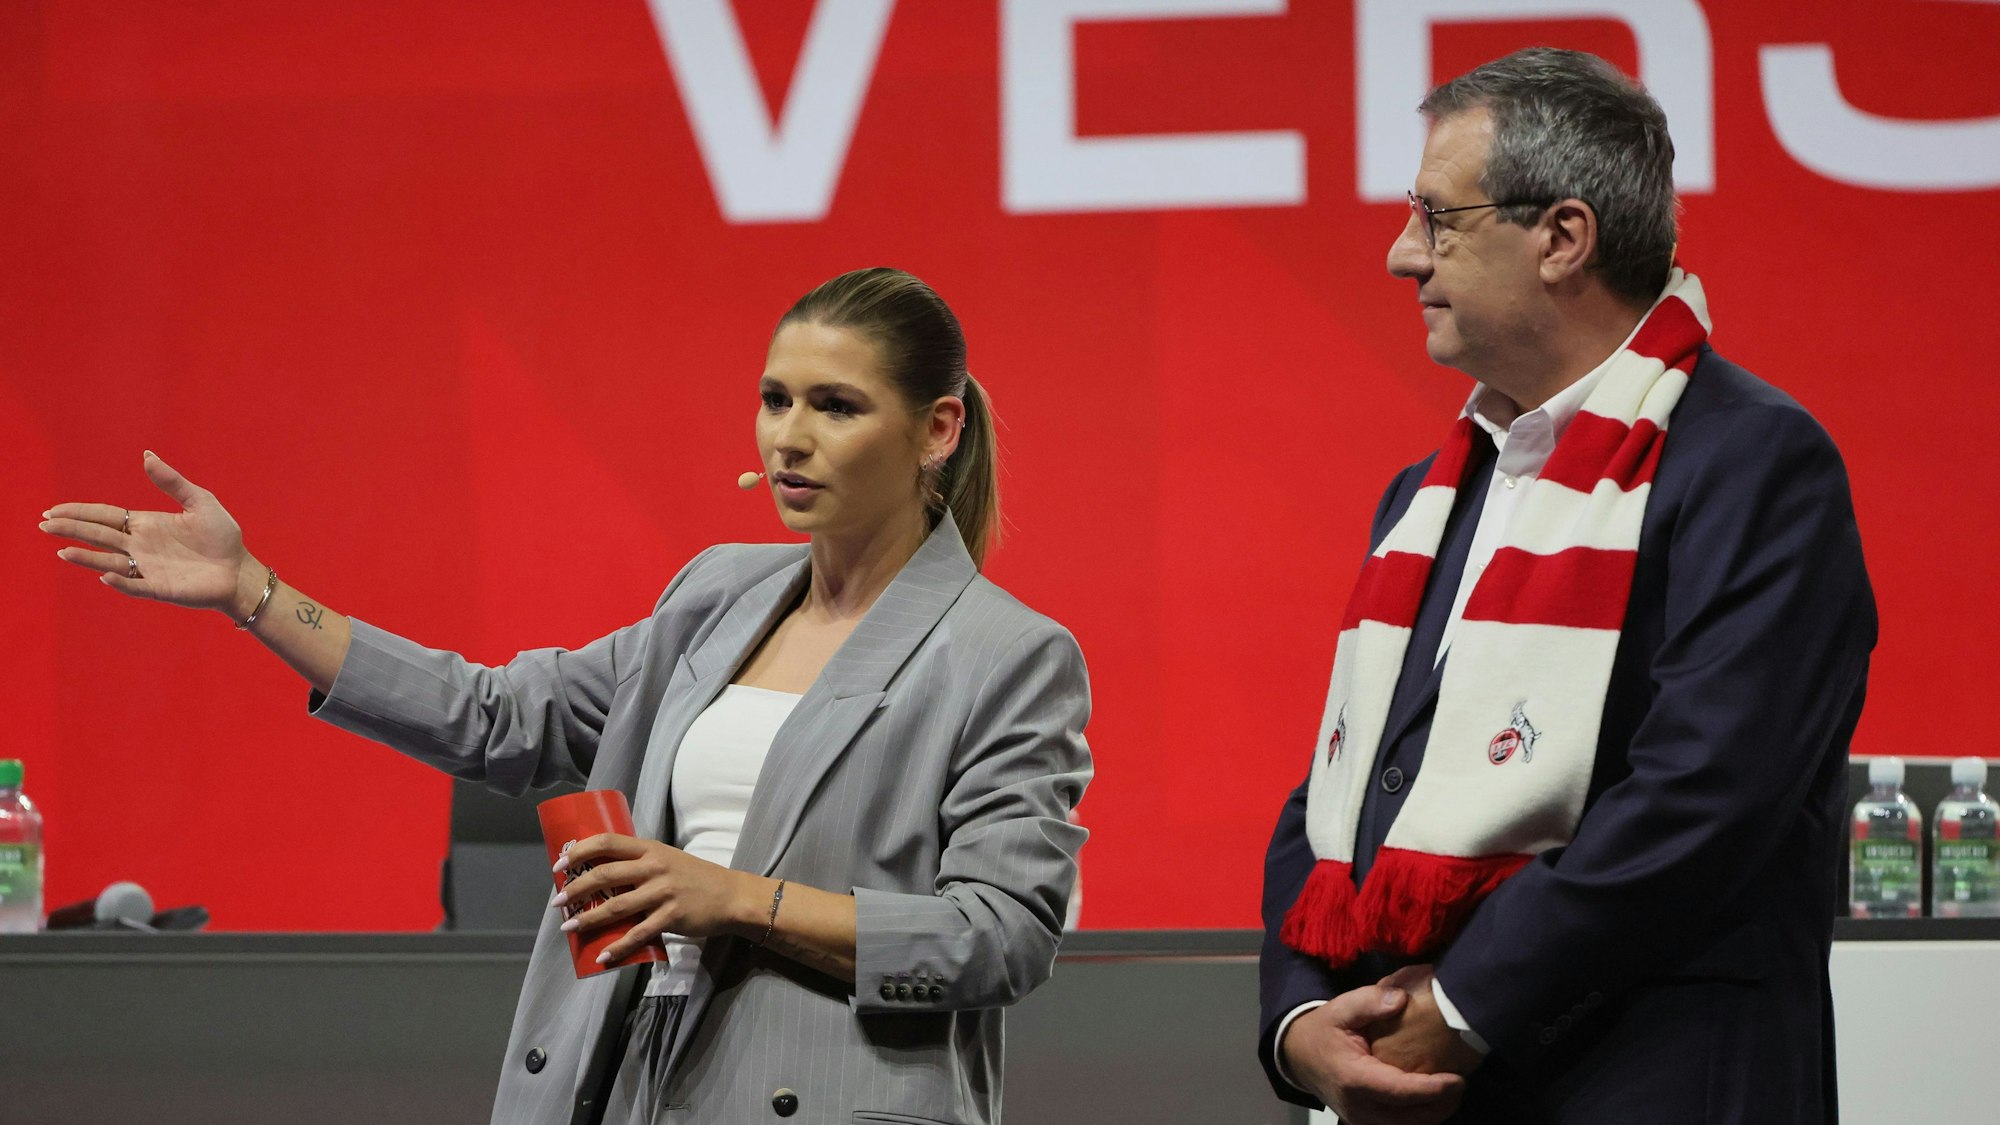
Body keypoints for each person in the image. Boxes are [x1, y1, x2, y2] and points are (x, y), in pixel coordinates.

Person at [41, 267, 1092, 1125]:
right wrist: (253, 592)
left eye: (835, 406)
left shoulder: (1005, 652)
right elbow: (497, 716)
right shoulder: (715, 594)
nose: (787, 436)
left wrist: (731, 899)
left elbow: (998, 938)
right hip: (631, 1070)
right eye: (775, 398)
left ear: (937, 430)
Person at [1257, 49, 1874, 1125]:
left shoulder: (1754, 463)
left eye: (1437, 219)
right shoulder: (1427, 494)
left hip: (1655, 1081)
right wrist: (1300, 1021)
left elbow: (1704, 797)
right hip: (1423, 1091)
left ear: (1561, 238)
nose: (1403, 255)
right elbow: (1343, 792)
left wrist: (1459, 1004)